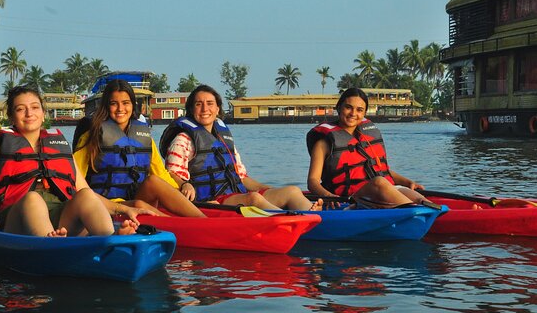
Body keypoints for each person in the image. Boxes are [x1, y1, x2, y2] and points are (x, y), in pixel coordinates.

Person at [0, 85, 152, 236]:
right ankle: (52, 246)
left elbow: (85, 191)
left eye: (34, 107)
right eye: (20, 109)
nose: (29, 113)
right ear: (11, 116)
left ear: (43, 113)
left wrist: (122, 209)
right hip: (15, 219)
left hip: (58, 217)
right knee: (33, 199)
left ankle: (111, 240)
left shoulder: (58, 146)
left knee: (86, 196)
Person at [160, 84, 321, 211]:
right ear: (191, 109)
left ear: (217, 109)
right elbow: (171, 173)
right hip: (210, 201)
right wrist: (184, 184)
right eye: (198, 104)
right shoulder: (183, 139)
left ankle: (314, 216)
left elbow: (241, 177)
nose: (205, 109)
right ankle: (291, 220)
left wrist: (268, 189)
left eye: (210, 104)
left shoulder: (224, 139)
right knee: (254, 199)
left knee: (291, 191)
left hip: (236, 195)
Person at [73, 79, 206, 217]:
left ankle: (202, 220)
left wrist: (184, 185)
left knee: (153, 181)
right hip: (108, 206)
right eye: (114, 104)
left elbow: (161, 174)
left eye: (125, 103)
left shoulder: (144, 137)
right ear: (106, 106)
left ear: (132, 105)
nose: (120, 109)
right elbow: (75, 177)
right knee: (138, 205)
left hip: (137, 197)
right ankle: (184, 226)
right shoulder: (92, 136)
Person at [306, 87, 429, 208]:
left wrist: (407, 182)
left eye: (359, 110)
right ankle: (411, 212)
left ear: (364, 113)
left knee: (419, 199)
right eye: (348, 107)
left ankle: (423, 210)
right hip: (351, 199)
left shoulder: (366, 137)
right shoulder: (323, 143)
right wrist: (328, 196)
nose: (353, 113)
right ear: (339, 108)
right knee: (379, 182)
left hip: (381, 190)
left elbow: (380, 169)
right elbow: (312, 181)